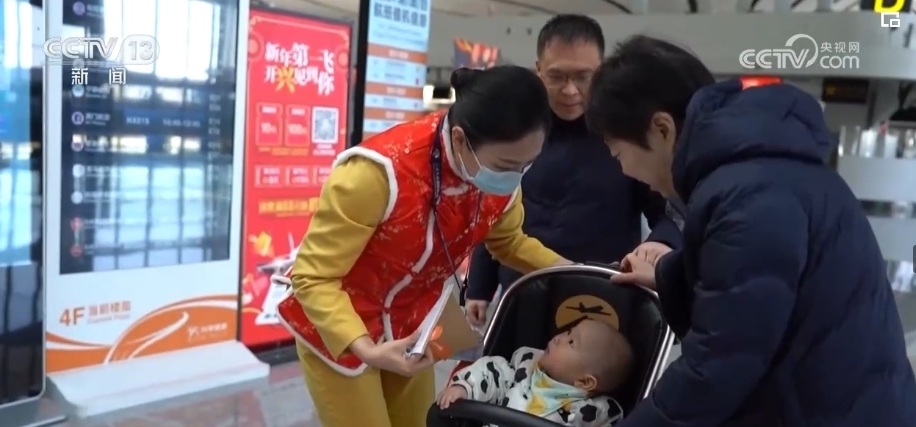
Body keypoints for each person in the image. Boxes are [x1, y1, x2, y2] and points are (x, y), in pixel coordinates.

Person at [586, 35, 916, 426]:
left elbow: (717, 367)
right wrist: (669, 273)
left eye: (618, 154)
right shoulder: (759, 173)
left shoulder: (748, 198)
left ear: (662, 129)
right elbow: (754, 287)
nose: (625, 171)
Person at [276, 65, 575, 427]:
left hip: (416, 326)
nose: (515, 177)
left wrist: (574, 271)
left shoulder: (499, 173)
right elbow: (313, 278)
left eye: (527, 165)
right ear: (461, 140)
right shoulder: (376, 174)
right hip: (341, 325)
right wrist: (365, 348)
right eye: (507, 165)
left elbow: (509, 241)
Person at [465, 15, 680, 327]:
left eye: (583, 76)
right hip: (522, 293)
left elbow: (670, 211)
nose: (570, 90)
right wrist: (479, 286)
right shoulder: (515, 130)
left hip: (604, 296)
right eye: (557, 76)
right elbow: (493, 210)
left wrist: (660, 244)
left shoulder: (628, 134)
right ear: (538, 70)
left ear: (602, 71)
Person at [436, 319, 631, 426]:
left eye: (571, 342)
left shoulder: (593, 415)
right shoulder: (525, 367)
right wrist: (465, 387)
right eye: (568, 332)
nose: (559, 338)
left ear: (585, 382)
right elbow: (492, 373)